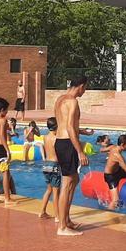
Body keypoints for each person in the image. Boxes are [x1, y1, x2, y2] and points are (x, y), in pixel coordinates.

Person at [54, 75, 90, 236]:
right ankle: (62, 227)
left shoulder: (60, 99)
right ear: (80, 86)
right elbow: (69, 127)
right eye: (85, 88)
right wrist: (80, 151)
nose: (84, 91)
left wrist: (82, 131)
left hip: (61, 142)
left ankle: (66, 220)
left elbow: (63, 124)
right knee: (67, 183)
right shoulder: (73, 101)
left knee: (74, 179)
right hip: (68, 143)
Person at [103, 135, 126, 210]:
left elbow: (102, 150)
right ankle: (108, 213)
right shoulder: (118, 156)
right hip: (111, 176)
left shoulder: (112, 147)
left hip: (118, 171)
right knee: (115, 201)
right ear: (122, 144)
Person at [39, 117, 61, 220]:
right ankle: (57, 216)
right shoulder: (56, 138)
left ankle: (42, 211)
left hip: (46, 165)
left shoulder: (45, 137)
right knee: (56, 192)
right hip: (54, 165)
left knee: (49, 190)